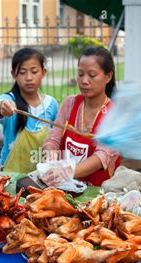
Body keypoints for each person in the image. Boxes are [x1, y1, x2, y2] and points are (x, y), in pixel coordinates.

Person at [42, 46, 121, 186]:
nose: (84, 81)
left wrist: (66, 172)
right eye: (80, 74)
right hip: (63, 188)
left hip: (97, 195)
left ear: (108, 76)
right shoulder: (70, 103)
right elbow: (53, 139)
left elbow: (102, 156)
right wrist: (50, 159)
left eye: (92, 75)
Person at [0, 48, 59, 173]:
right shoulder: (10, 101)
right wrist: (2, 107)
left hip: (43, 175)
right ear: (13, 74)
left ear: (43, 72)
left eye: (34, 71)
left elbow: (57, 137)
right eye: (22, 72)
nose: (29, 78)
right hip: (11, 174)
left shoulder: (51, 104)